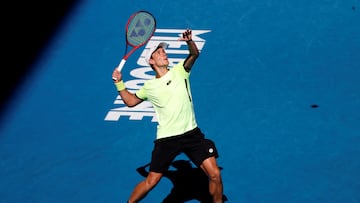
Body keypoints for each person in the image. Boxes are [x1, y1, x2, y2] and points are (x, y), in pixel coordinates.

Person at [112, 29, 224, 203]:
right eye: (158, 52)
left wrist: (189, 41)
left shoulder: (180, 71)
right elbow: (131, 101)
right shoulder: (149, 86)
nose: (163, 53)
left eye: (164, 51)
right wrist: (119, 83)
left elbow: (194, 54)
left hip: (191, 133)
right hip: (167, 139)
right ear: (151, 61)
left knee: (215, 174)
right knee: (152, 181)